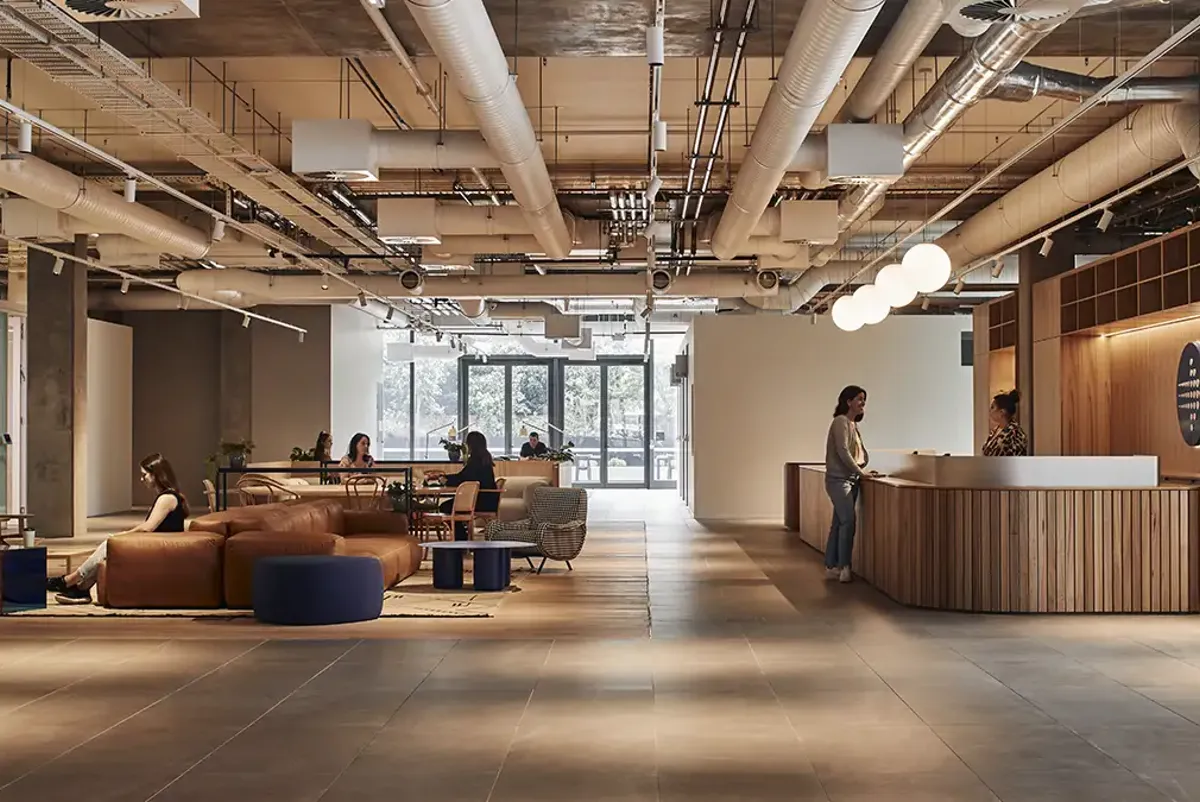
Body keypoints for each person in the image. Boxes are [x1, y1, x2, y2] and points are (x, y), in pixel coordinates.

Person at [47, 453, 190, 605]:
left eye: (145, 475)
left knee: (110, 542)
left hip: (158, 548)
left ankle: (69, 581)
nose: (142, 479)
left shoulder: (167, 498)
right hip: (156, 544)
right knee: (109, 544)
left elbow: (148, 528)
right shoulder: (168, 496)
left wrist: (122, 535)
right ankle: (80, 587)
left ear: (156, 475)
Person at [824, 385, 869, 584]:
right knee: (848, 522)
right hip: (839, 480)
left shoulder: (854, 426)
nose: (863, 403)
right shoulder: (840, 422)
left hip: (852, 479)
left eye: (864, 400)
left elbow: (860, 454)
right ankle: (844, 566)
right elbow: (843, 451)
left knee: (839, 523)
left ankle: (831, 564)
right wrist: (860, 471)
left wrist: (863, 468)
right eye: (859, 399)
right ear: (848, 401)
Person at [437, 430, 499, 541]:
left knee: (445, 507)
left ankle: (461, 538)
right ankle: (462, 536)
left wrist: (446, 479)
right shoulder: (485, 458)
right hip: (489, 499)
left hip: (480, 501)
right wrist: (447, 477)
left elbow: (463, 478)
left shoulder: (475, 460)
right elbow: (464, 476)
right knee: (452, 506)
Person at [982, 389, 1029, 456]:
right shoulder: (996, 430)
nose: (990, 411)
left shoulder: (1014, 434)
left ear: (1002, 412)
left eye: (992, 407)